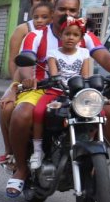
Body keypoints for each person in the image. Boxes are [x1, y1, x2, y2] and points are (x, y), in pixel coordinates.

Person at [5, 0, 110, 197]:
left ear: (78, 13)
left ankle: (95, 162)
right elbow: (26, 60)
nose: (66, 13)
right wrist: (27, 78)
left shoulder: (84, 35)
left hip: (80, 93)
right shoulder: (37, 35)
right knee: (21, 114)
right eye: (62, 9)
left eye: (72, 10)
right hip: (43, 88)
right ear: (53, 13)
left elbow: (103, 55)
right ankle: (22, 168)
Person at [0, 0, 57, 165]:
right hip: (27, 81)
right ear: (32, 3)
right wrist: (15, 85)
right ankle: (11, 151)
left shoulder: (64, 29)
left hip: (54, 85)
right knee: (7, 107)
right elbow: (14, 60)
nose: (43, 2)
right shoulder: (24, 30)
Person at [29, 16, 93, 170]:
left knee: (100, 113)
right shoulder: (53, 53)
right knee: (38, 112)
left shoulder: (85, 53)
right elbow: (54, 74)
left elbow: (86, 76)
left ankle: (89, 147)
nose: (71, 38)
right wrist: (58, 81)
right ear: (60, 35)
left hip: (78, 94)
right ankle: (37, 151)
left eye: (75, 35)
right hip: (56, 91)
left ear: (81, 38)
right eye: (67, 34)